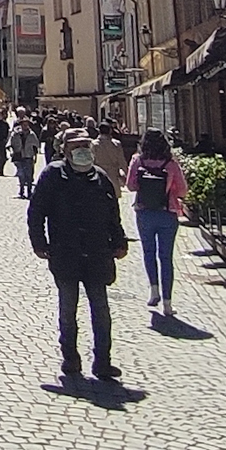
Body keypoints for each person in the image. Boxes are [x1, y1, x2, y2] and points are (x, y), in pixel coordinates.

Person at [29, 129, 129, 381]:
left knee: (101, 310)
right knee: (67, 308)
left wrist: (119, 241)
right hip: (65, 253)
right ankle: (70, 358)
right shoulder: (53, 175)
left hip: (97, 253)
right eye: (76, 146)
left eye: (86, 145)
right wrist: (39, 242)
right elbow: (36, 211)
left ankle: (103, 361)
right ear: (66, 150)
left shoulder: (101, 177)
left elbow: (113, 214)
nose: (82, 150)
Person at [125, 128, 189, 315]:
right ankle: (168, 303)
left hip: (144, 212)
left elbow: (130, 185)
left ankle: (154, 292)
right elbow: (183, 190)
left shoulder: (138, 160)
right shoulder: (171, 164)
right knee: (166, 257)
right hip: (167, 213)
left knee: (149, 252)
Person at [9, 111, 42, 199]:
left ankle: (29, 191)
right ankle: (21, 190)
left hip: (28, 156)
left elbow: (36, 146)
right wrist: (12, 151)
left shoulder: (32, 134)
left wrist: (35, 156)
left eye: (27, 124)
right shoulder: (15, 134)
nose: (25, 126)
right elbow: (10, 144)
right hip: (19, 156)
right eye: (23, 124)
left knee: (29, 175)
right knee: (21, 175)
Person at [92, 120, 129, 194]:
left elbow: (91, 161)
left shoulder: (93, 144)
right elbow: (122, 161)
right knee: (114, 195)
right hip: (113, 174)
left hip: (98, 174)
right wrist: (127, 174)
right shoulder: (116, 144)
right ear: (110, 131)